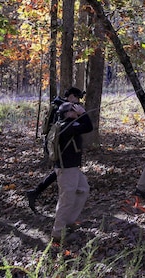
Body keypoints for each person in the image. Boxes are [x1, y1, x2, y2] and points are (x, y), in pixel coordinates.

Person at [26, 87, 84, 213]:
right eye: (76, 98)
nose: (77, 101)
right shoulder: (62, 108)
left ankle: (36, 192)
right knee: (61, 171)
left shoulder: (60, 104)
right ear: (71, 96)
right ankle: (39, 193)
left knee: (58, 172)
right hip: (57, 145)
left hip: (56, 144)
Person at [51, 100, 94, 243]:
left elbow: (84, 126)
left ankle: (68, 222)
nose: (77, 111)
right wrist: (83, 113)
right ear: (68, 113)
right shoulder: (67, 126)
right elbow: (88, 127)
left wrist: (81, 114)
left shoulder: (66, 125)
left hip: (72, 168)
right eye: (74, 109)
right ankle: (58, 232)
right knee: (66, 200)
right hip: (66, 169)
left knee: (83, 189)